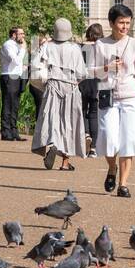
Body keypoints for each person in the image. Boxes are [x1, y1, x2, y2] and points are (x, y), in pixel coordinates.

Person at [92, 3, 135, 197]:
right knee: (109, 138)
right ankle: (111, 168)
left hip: (130, 95)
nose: (125, 27)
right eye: (121, 22)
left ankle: (123, 184)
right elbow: (91, 71)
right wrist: (108, 67)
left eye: (127, 23)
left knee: (129, 140)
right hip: (108, 95)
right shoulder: (101, 44)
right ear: (111, 23)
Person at [30, 18, 87, 171]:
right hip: (71, 86)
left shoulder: (47, 46)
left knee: (52, 118)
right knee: (70, 122)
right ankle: (65, 162)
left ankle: (53, 143)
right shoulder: (75, 48)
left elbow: (36, 66)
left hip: (53, 84)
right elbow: (82, 72)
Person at [0, 27, 28, 141]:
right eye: (21, 34)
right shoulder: (8, 45)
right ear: (14, 35)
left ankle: (14, 131)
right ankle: (6, 132)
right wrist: (23, 49)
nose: (23, 36)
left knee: (15, 105)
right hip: (9, 75)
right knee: (8, 104)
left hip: (17, 76)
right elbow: (15, 61)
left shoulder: (17, 46)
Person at [81, 23, 103, 158]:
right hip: (97, 82)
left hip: (83, 81)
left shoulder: (80, 47)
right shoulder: (103, 47)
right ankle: (93, 148)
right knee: (94, 114)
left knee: (82, 111)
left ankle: (86, 133)